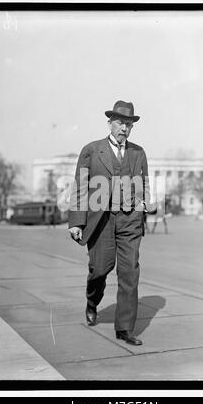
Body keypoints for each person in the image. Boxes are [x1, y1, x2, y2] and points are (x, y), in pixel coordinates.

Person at [68, 100, 152, 346]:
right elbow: (80, 187)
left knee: (129, 273)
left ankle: (124, 329)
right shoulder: (92, 150)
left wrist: (143, 205)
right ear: (110, 123)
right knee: (100, 269)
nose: (124, 128)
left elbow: (144, 183)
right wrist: (76, 222)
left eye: (128, 124)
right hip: (100, 221)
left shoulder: (138, 152)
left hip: (129, 221)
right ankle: (92, 300)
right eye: (120, 123)